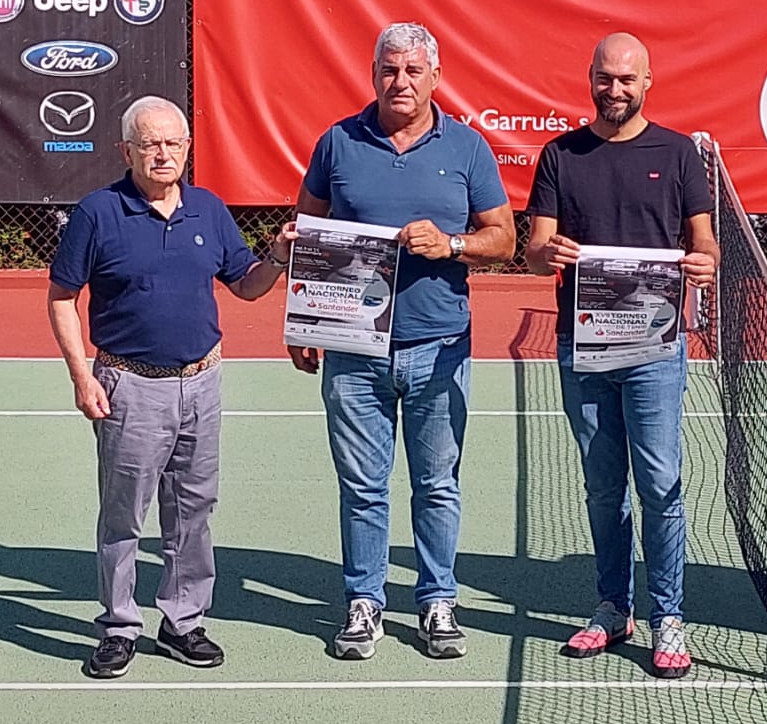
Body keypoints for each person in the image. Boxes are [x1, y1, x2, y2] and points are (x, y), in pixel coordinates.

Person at [289, 22, 517, 661]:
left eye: (415, 71)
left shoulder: (468, 148)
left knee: (437, 483)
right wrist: (303, 320)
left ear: (436, 78)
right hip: (352, 349)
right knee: (362, 485)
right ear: (373, 74)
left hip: (439, 346)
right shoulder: (337, 143)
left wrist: (452, 245)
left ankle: (438, 601)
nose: (402, 82)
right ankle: (364, 604)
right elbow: (309, 229)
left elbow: (502, 238)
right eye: (391, 69)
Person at [46, 96, 293, 679]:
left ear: (187, 148)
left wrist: (278, 256)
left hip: (202, 384)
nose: (163, 153)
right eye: (150, 143)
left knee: (193, 511)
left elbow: (248, 286)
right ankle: (118, 626)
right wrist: (83, 376)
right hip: (129, 386)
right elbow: (61, 298)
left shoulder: (208, 209)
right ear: (126, 150)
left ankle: (183, 622)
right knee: (124, 516)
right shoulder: (98, 212)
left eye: (174, 142)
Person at [524, 32, 717, 679]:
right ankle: (614, 606)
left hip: (656, 347)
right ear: (591, 79)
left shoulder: (680, 154)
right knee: (604, 487)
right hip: (583, 343)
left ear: (647, 83)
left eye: (627, 79)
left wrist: (703, 264)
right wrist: (549, 255)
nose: (615, 89)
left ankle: (668, 616)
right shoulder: (560, 155)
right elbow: (535, 246)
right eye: (605, 78)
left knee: (660, 483)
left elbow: (706, 246)